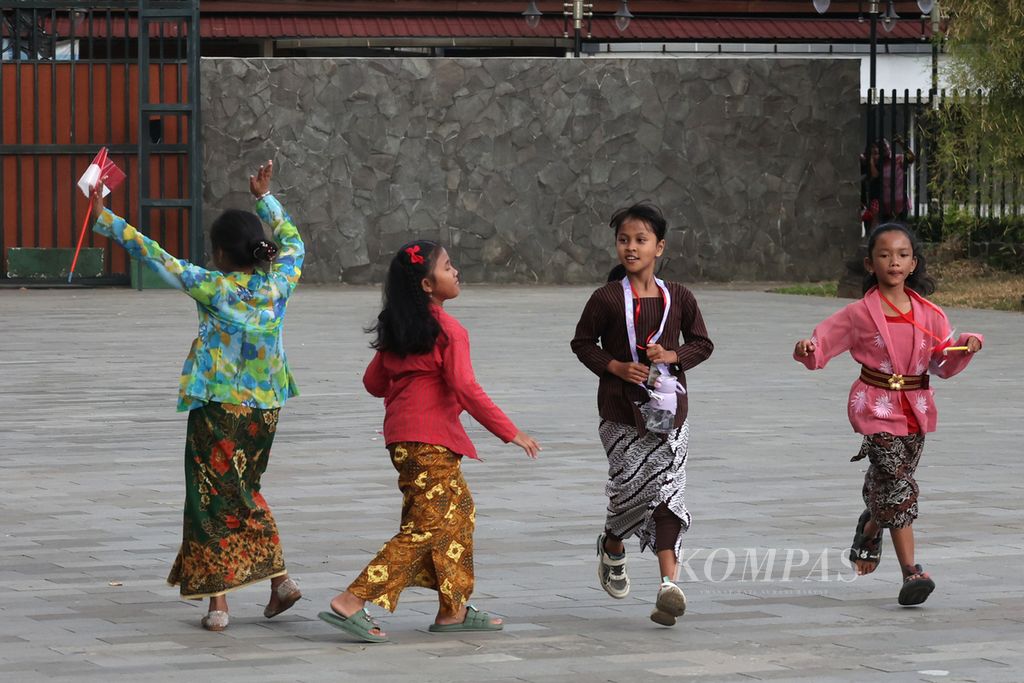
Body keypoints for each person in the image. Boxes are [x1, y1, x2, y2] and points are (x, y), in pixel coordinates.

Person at [89, 160, 304, 630]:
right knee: (245, 490)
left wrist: (105, 217)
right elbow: (294, 241)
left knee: (207, 497)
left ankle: (219, 604)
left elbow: (156, 256)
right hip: (266, 409)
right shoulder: (279, 284)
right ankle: (278, 580)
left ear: (222, 255)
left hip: (218, 407)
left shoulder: (215, 287)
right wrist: (265, 197)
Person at [319, 240, 541, 643]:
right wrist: (511, 432)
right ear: (426, 284)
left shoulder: (400, 330)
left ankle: (452, 609)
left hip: (403, 441)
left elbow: (373, 384)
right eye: (448, 266)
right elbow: (466, 388)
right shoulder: (449, 331)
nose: (455, 272)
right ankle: (352, 600)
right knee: (427, 526)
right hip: (430, 442)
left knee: (456, 514)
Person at [794, 222, 982, 606]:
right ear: (870, 263)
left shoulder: (930, 314)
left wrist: (966, 345)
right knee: (897, 484)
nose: (893, 261)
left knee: (892, 483)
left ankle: (871, 524)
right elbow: (822, 344)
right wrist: (808, 349)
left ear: (913, 263)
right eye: (884, 254)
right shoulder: (858, 313)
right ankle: (912, 572)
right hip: (875, 408)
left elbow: (942, 362)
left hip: (916, 408)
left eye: (902, 254)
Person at [570, 203, 713, 627]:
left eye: (640, 240)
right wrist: (614, 366)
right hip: (620, 414)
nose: (631, 248)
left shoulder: (681, 297)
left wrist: (673, 355)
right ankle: (613, 544)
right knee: (629, 492)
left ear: (660, 247)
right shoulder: (606, 298)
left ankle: (669, 586)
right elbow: (582, 343)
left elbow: (703, 344)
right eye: (624, 240)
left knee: (668, 493)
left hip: (670, 415)